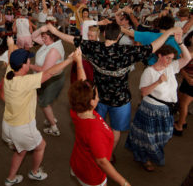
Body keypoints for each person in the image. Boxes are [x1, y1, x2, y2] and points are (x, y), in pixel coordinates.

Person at [45, 22, 183, 163]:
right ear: (118, 36)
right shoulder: (127, 51)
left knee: (95, 127)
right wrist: (168, 31)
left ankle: (95, 151)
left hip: (98, 97)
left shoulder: (94, 47)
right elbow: (154, 46)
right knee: (116, 130)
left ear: (104, 34)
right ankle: (108, 156)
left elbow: (71, 38)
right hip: (120, 100)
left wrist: (54, 31)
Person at [2, 37, 76, 186]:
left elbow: (11, 55)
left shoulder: (9, 73)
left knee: (21, 151)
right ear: (23, 65)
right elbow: (49, 72)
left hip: (7, 125)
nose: (30, 62)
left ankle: (11, 178)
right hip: (22, 127)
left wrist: (10, 44)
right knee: (41, 146)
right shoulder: (26, 82)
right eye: (28, 61)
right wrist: (69, 60)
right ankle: (34, 172)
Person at [69, 48, 131, 186]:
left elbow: (81, 84)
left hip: (78, 162)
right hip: (92, 175)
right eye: (96, 95)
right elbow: (102, 161)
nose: (98, 96)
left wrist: (79, 62)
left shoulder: (76, 110)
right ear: (92, 101)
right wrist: (124, 182)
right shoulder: (94, 130)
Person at [125, 39, 191, 171]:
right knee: (148, 138)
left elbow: (187, 57)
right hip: (151, 109)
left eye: (171, 59)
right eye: (167, 58)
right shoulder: (149, 71)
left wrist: (180, 43)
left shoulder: (171, 67)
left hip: (167, 110)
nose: (169, 61)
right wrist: (158, 82)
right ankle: (145, 159)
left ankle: (145, 155)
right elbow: (144, 92)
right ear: (159, 56)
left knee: (165, 135)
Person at [30, 27, 65, 136]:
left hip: (51, 80)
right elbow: (33, 37)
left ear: (52, 37)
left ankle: (54, 128)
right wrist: (41, 29)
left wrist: (28, 65)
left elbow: (44, 70)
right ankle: (50, 117)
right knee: (41, 99)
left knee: (44, 103)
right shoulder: (49, 43)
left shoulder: (54, 50)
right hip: (43, 78)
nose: (42, 39)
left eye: (44, 37)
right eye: (42, 37)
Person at [174, 32, 193, 135]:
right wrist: (186, 76)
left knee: (184, 103)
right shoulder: (185, 50)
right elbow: (180, 66)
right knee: (180, 99)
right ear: (190, 38)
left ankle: (179, 127)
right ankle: (183, 121)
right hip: (187, 80)